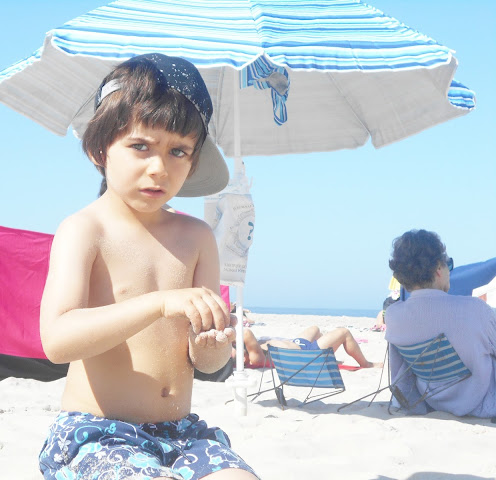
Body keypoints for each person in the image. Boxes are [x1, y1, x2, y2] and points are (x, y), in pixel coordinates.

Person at [38, 53, 259, 480]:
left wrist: (212, 344)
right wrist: (158, 303)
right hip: (99, 432)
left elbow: (206, 363)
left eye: (178, 151)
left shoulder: (197, 237)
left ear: (193, 161)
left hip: (181, 433)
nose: (159, 168)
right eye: (140, 146)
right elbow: (57, 341)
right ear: (100, 149)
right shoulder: (86, 229)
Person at [385, 229, 496, 417]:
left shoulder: (393, 315)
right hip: (483, 404)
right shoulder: (475, 309)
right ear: (438, 268)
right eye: (448, 264)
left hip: (431, 402)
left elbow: (400, 375)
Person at [237, 326, 382, 369]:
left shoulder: (254, 348)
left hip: (298, 343)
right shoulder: (256, 357)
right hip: (307, 354)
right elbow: (247, 333)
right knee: (344, 332)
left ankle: (328, 357)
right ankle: (366, 364)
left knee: (315, 329)